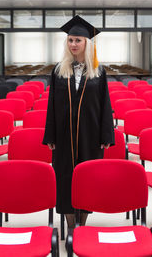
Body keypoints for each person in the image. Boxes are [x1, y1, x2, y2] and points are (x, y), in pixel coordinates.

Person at [43, 15, 115, 228]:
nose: (73, 44)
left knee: (87, 178)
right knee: (64, 178)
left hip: (90, 134)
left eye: (78, 40)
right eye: (70, 40)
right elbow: (52, 105)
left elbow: (105, 105)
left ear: (87, 43)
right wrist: (50, 135)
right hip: (64, 135)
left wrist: (106, 135)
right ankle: (71, 225)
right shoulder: (58, 71)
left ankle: (82, 225)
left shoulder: (99, 71)